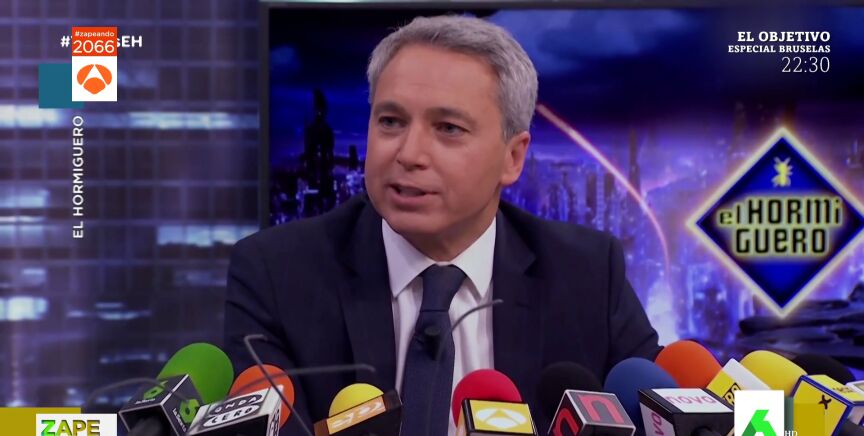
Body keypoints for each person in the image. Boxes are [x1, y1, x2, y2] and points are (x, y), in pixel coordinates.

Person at [225, 15, 660, 436]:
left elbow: (659, 411)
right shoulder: (275, 273)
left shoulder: (588, 274)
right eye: (391, 122)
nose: (409, 153)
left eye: (448, 128)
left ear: (512, 158)